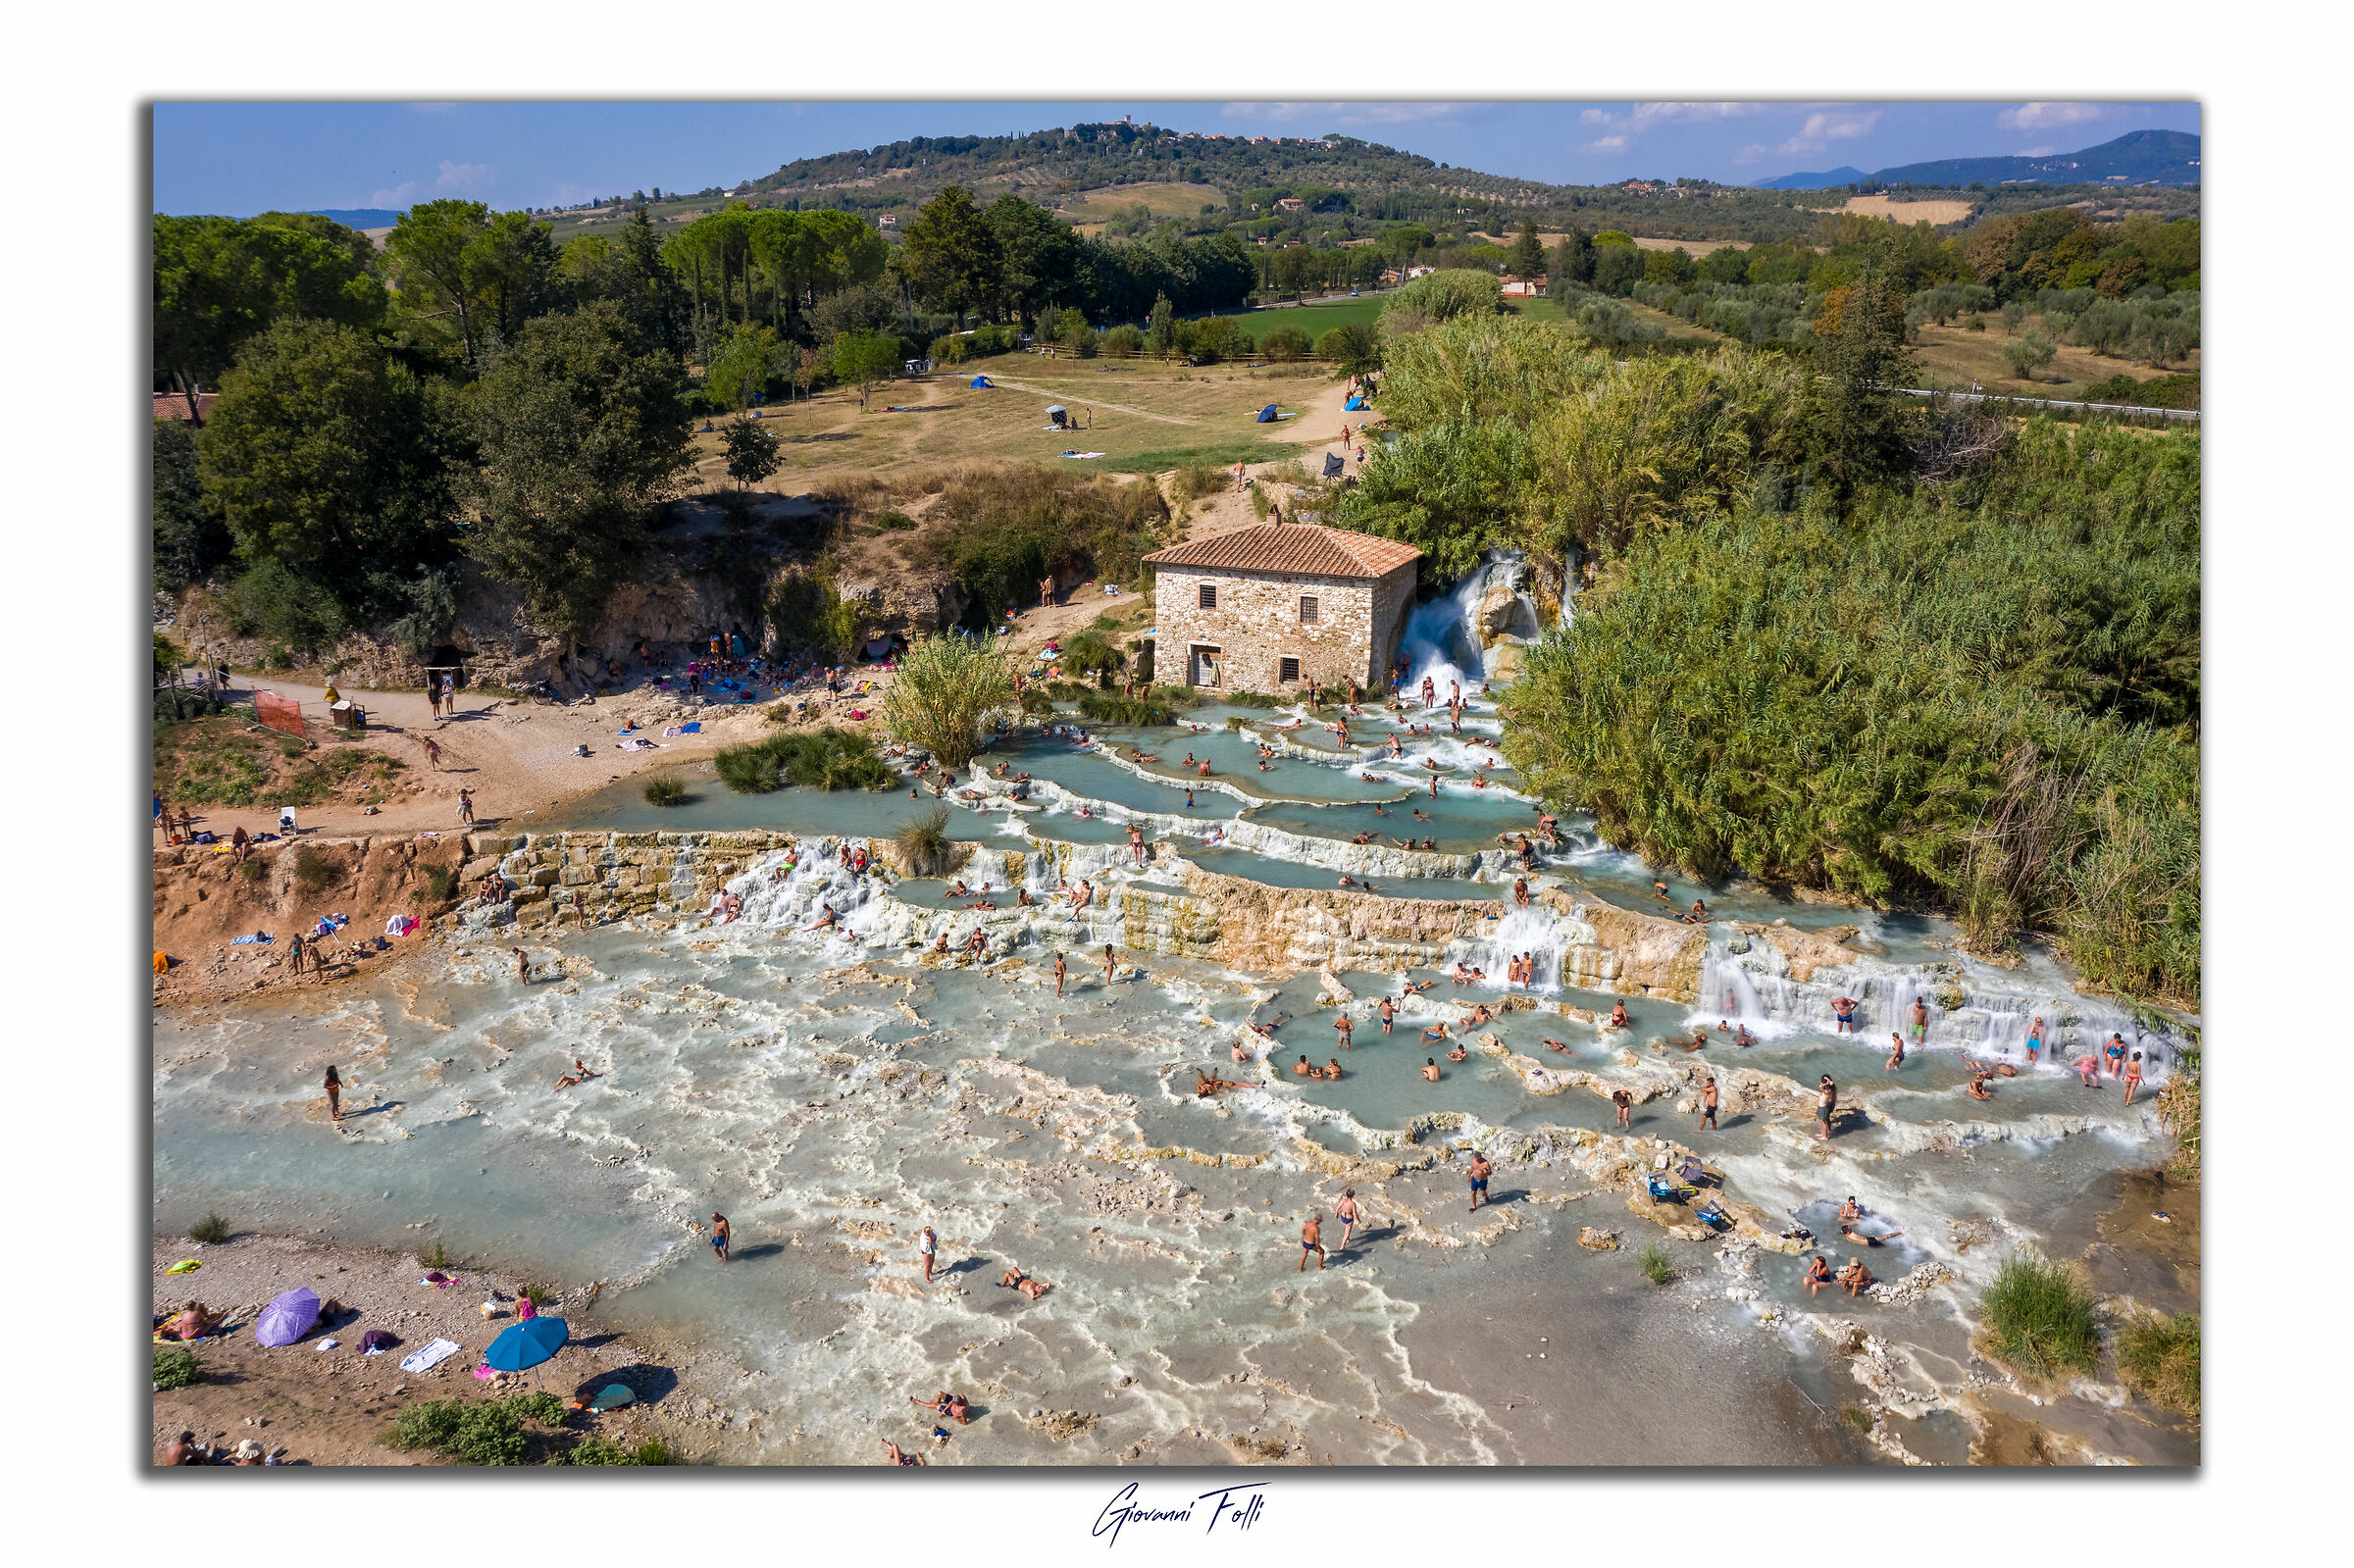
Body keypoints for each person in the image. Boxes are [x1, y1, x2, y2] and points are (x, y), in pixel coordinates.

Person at [1817, 1076, 1837, 1141]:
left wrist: (1828, 1082)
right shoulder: (1826, 1091)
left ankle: (1825, 1136)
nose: (1827, 1089)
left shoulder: (1826, 1092)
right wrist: (1829, 1082)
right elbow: (1822, 1086)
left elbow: (1821, 1086)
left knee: (1823, 1123)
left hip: (1823, 1109)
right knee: (1821, 1122)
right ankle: (1822, 1134)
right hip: (1821, 1108)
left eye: (1828, 1088)